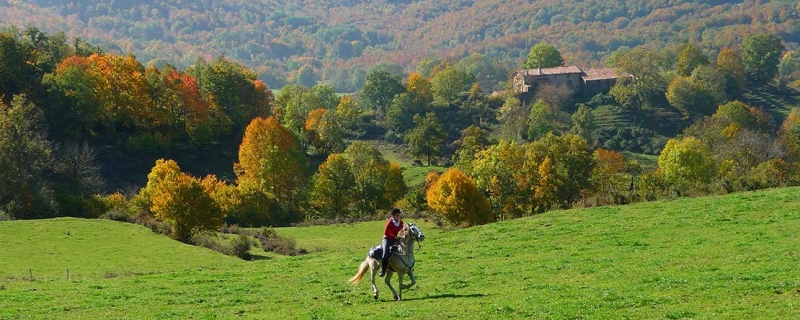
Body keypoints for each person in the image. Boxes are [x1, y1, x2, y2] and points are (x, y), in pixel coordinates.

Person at [379, 208, 404, 277]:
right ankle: (383, 271)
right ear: (393, 216)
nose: (398, 217)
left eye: (399, 215)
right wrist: (394, 237)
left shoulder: (400, 222)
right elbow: (386, 232)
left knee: (404, 249)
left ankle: (407, 267)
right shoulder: (389, 222)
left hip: (395, 239)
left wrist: (402, 236)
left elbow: (402, 230)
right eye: (397, 215)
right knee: (385, 255)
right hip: (387, 239)